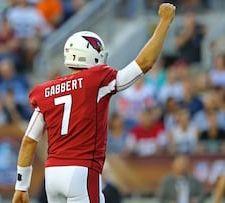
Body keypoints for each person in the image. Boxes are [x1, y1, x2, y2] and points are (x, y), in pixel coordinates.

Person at [12, 3, 176, 203]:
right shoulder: (96, 79)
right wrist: (164, 22)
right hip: (81, 170)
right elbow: (145, 63)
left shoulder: (46, 90)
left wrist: (21, 185)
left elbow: (29, 140)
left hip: (52, 174)